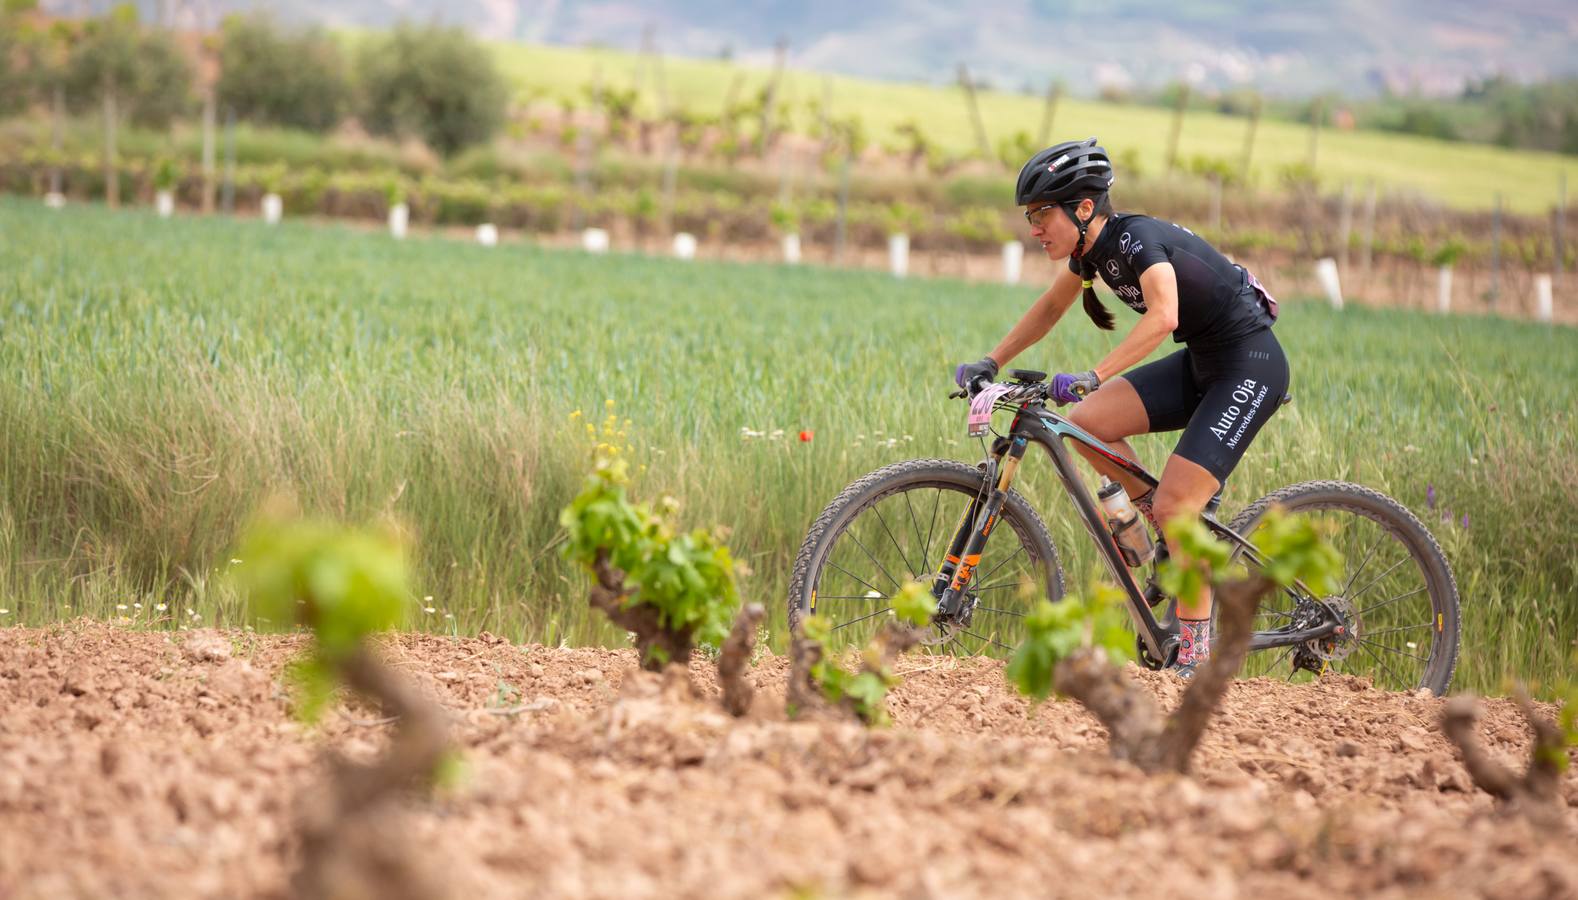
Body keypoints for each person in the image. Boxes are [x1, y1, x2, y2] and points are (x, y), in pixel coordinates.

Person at [954, 137, 1289, 677]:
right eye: (1029, 216)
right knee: (1087, 423)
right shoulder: (1091, 254)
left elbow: (1163, 316)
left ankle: (1195, 657)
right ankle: (1163, 520)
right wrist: (989, 362)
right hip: (1204, 361)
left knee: (1180, 505)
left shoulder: (1134, 240)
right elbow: (1049, 309)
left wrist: (1093, 376)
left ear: (1084, 209)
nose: (1033, 227)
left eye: (1041, 214)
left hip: (1249, 366)